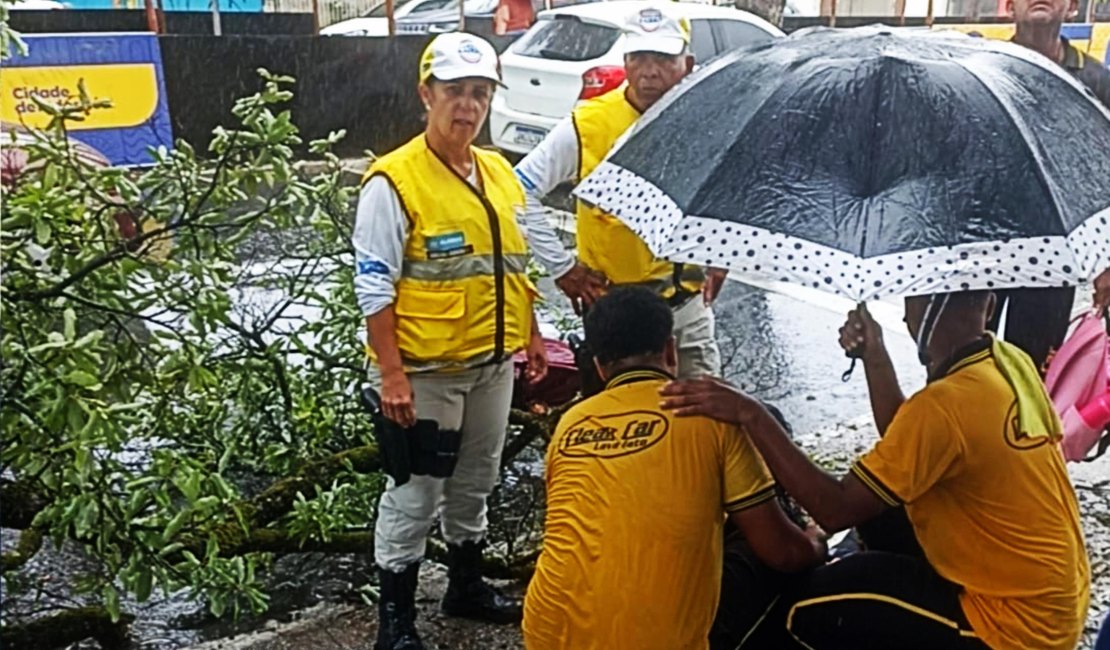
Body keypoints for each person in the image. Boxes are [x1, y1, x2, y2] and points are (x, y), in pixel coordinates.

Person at [660, 292, 1090, 649]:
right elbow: (910, 437)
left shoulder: (946, 405)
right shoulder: (1004, 361)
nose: (905, 309)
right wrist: (875, 355)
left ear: (926, 310)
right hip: (1056, 601)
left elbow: (835, 509)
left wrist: (751, 414)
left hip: (1014, 629)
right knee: (883, 515)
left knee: (802, 612)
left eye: (913, 297)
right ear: (990, 306)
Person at [352, 32, 548, 650]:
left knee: (477, 481)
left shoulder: (497, 173)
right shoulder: (394, 183)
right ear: (426, 95)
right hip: (426, 372)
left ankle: (465, 586)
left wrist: (532, 335)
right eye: (455, 93)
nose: (468, 107)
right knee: (414, 495)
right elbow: (374, 289)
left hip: (493, 365)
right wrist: (391, 375)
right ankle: (396, 622)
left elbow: (513, 265)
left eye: (480, 94)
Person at [522, 287, 825, 650]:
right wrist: (815, 541)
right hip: (658, 640)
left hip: (546, 633)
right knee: (778, 556)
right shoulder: (710, 415)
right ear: (670, 350)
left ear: (600, 367)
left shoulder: (571, 423)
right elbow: (783, 553)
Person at [514, 5, 727, 379]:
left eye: (662, 57)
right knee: (620, 424)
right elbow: (518, 191)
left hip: (686, 307)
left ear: (688, 63)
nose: (649, 71)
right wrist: (562, 268)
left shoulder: (705, 121)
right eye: (638, 57)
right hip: (615, 312)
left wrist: (721, 253)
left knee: (702, 418)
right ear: (625, 60)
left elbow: (722, 191)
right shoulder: (588, 125)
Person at [996, 0, 1110, 370]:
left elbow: (1102, 175)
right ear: (1009, 7)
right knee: (957, 365)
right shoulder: (984, 67)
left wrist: (1106, 260)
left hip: (1052, 253)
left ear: (1072, 8)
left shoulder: (1096, 83)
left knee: (1030, 371)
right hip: (982, 242)